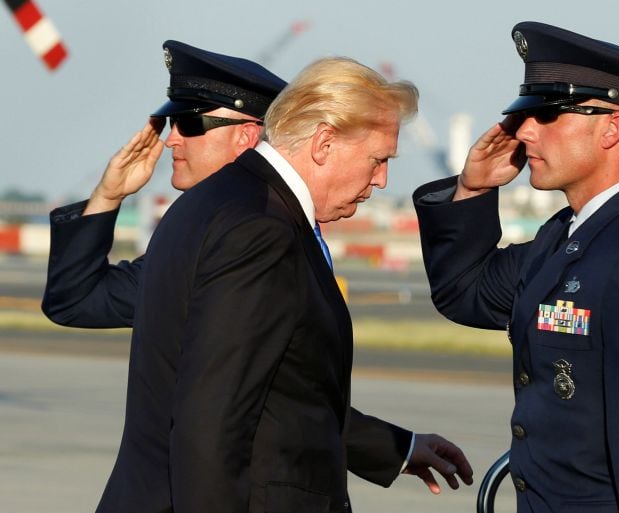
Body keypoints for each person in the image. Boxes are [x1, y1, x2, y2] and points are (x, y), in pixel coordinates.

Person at [42, 42, 472, 512]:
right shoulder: (258, 230)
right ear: (324, 142)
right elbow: (212, 419)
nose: (383, 180)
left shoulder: (205, 210)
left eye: (190, 124)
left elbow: (280, 396)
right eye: (378, 159)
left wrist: (398, 448)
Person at [413, 21, 619, 513]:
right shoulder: (567, 237)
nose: (524, 130)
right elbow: (464, 291)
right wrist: (473, 191)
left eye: (549, 114)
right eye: (527, 113)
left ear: (613, 127)